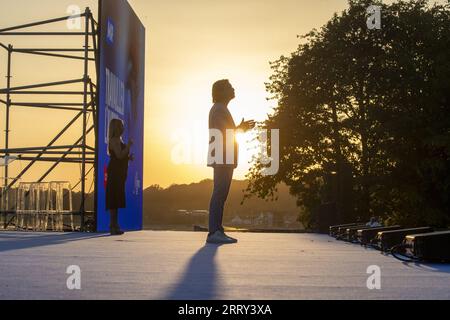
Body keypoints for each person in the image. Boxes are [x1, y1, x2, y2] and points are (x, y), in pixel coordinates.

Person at [207, 80, 255, 244]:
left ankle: (217, 230)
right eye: (229, 87)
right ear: (221, 92)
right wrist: (240, 128)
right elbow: (224, 132)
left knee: (220, 193)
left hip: (223, 155)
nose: (233, 89)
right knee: (219, 193)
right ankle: (214, 231)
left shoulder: (221, 108)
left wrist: (240, 128)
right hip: (222, 156)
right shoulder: (220, 109)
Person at [106, 119, 134, 236]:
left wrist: (128, 158)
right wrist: (128, 146)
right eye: (121, 126)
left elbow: (122, 156)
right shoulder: (114, 140)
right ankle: (113, 225)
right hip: (115, 172)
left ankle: (115, 224)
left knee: (117, 199)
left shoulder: (118, 140)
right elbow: (119, 155)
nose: (123, 128)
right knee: (114, 198)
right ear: (116, 128)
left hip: (120, 172)